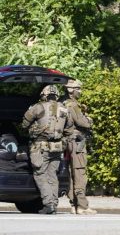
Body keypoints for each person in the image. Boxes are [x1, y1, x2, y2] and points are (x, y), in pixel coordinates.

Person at [22, 85, 74, 214]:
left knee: (40, 174)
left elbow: (24, 124)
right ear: (56, 95)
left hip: (41, 147)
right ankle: (54, 204)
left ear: (44, 95)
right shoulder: (64, 108)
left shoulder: (38, 107)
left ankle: (48, 204)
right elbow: (68, 129)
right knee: (52, 175)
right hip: (57, 148)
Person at [62, 79, 97, 215]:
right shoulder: (73, 105)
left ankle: (73, 204)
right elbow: (82, 122)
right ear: (71, 90)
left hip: (68, 142)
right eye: (78, 89)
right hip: (77, 143)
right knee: (80, 172)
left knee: (71, 173)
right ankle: (82, 206)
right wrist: (89, 120)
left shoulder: (62, 102)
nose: (80, 91)